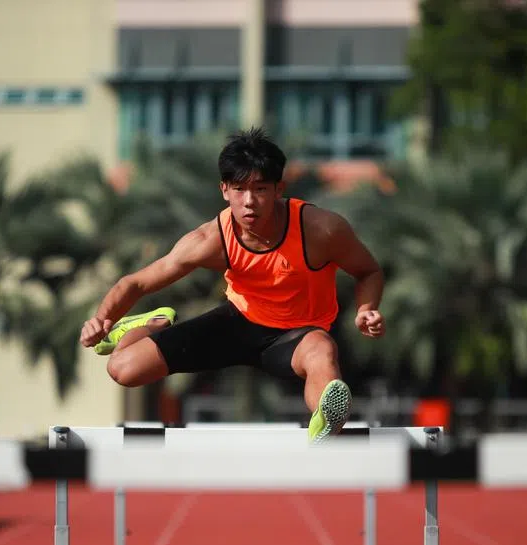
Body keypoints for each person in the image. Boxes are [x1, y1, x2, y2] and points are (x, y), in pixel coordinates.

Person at [78, 127, 386, 442]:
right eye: (239, 190)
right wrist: (102, 320)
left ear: (279, 188)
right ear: (224, 190)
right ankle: (150, 324)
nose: (249, 202)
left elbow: (369, 271)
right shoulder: (211, 239)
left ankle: (326, 423)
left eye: (260, 189)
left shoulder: (321, 230)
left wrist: (366, 309)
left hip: (297, 335)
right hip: (236, 324)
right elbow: (138, 283)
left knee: (322, 351)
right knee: (122, 370)